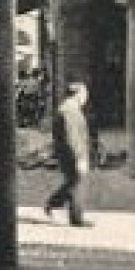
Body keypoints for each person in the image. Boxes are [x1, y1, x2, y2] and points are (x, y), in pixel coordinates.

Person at [44, 81, 93, 227]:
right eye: (85, 94)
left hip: (68, 153)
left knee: (73, 182)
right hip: (71, 154)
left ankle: (52, 204)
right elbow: (72, 137)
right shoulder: (70, 111)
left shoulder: (69, 109)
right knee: (77, 184)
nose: (86, 98)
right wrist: (79, 157)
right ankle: (76, 218)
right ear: (78, 95)